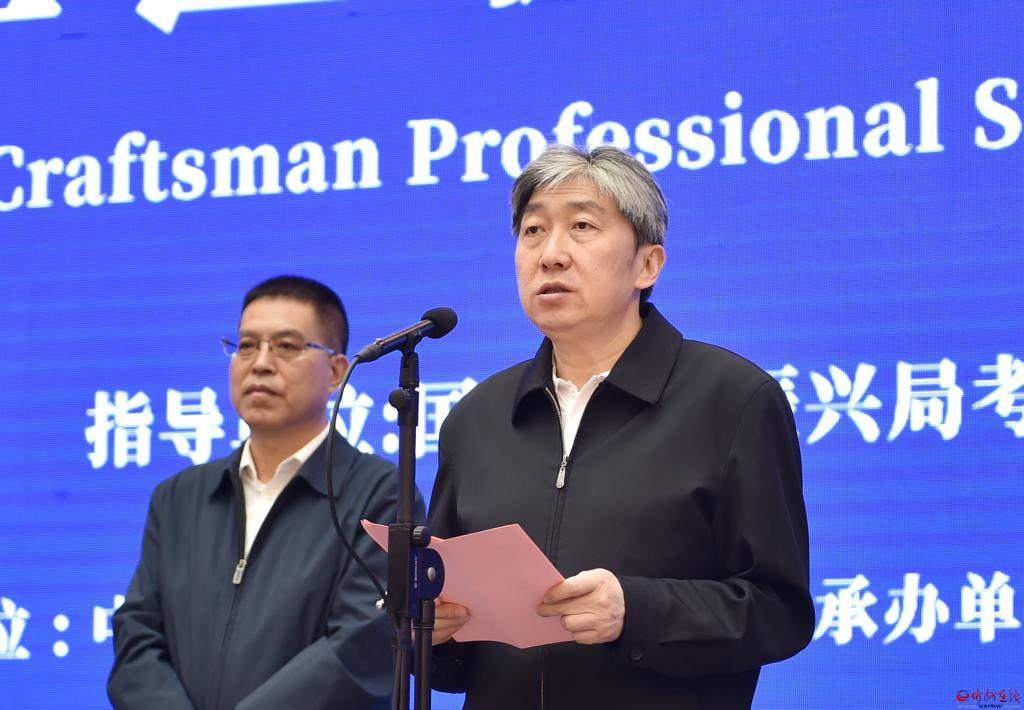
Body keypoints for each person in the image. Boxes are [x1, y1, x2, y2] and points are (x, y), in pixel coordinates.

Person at [427, 145, 814, 709]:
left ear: (647, 265)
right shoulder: (477, 418)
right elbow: (454, 657)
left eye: (582, 226)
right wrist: (434, 632)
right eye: (533, 231)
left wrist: (636, 612)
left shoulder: (733, 400)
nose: (550, 255)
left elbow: (779, 612)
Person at [109, 275, 419, 710]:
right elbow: (138, 637)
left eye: (287, 346)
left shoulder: (379, 493)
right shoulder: (178, 497)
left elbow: (361, 646)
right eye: (247, 345)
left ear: (335, 372)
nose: (260, 363)